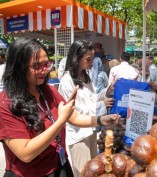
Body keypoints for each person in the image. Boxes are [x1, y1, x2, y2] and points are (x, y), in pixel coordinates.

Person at [0, 38, 119, 177]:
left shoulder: (48, 91)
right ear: (19, 67)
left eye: (46, 64)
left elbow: (72, 116)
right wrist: (60, 121)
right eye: (37, 66)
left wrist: (100, 119)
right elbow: (25, 153)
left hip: (58, 165)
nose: (45, 70)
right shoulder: (6, 104)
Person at [58, 40, 114, 177]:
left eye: (92, 58)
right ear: (76, 58)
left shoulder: (85, 77)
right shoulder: (67, 82)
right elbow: (74, 113)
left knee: (94, 170)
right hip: (78, 135)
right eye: (88, 59)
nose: (92, 62)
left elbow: (92, 98)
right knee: (83, 172)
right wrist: (102, 106)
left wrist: (107, 91)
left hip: (91, 130)